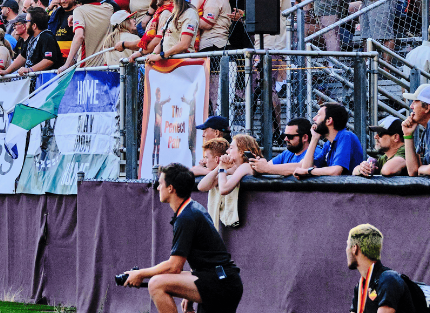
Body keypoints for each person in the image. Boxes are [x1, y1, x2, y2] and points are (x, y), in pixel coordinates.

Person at [121, 163, 243, 313]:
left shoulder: (187, 216)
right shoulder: (191, 209)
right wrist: (188, 292)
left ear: (170, 188)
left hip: (221, 283)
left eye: (160, 184)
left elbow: (174, 267)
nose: (158, 188)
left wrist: (140, 273)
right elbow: (202, 257)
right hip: (219, 280)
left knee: (156, 283)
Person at [345, 224, 415, 313]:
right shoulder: (360, 287)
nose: (346, 250)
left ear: (354, 248)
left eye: (348, 245)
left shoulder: (388, 279)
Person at [294, 103, 366, 178]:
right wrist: (314, 139)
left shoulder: (345, 136)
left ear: (329, 120)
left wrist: (309, 171)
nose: (314, 118)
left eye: (318, 115)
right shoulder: (328, 144)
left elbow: (336, 171)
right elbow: (305, 167)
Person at [250, 118, 321, 176]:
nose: (285, 139)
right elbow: (268, 166)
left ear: (305, 137)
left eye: (290, 136)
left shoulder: (315, 152)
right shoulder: (288, 153)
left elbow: (302, 167)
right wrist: (257, 166)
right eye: (285, 135)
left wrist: (266, 168)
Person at [400, 83, 430, 176]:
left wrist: (422, 169)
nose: (411, 106)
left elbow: (418, 170)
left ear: (427, 108)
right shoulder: (426, 131)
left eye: (415, 102)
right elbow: (413, 171)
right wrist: (408, 135)